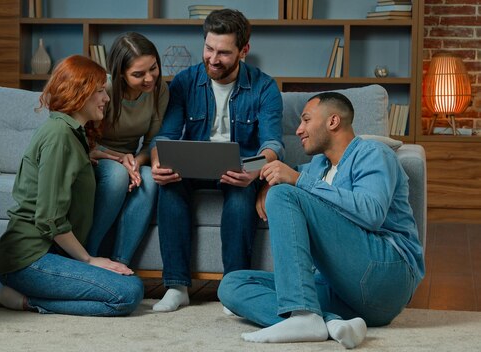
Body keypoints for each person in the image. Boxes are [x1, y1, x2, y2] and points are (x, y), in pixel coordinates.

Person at [218, 92, 425, 348]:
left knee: (284, 194)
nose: (299, 129)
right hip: (344, 293)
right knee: (231, 286)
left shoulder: (372, 153)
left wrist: (295, 181)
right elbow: (284, 171)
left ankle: (304, 315)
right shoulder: (318, 166)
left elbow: (371, 213)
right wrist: (261, 181)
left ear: (333, 121)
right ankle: (328, 323)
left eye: (305, 120)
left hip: (386, 274)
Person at [0, 55, 144, 316]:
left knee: (130, 286)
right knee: (127, 294)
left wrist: (104, 154)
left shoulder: (70, 133)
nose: (106, 99)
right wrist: (88, 260)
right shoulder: (59, 136)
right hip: (29, 259)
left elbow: (70, 161)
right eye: (99, 92)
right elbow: (49, 217)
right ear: (79, 93)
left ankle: (15, 292)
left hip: (45, 255)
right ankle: (17, 299)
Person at [149, 9, 284, 312]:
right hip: (192, 168)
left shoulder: (264, 87)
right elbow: (167, 135)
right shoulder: (184, 82)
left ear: (243, 51)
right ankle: (176, 286)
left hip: (239, 169)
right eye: (209, 48)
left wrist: (252, 171)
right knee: (168, 189)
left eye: (223, 52)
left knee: (240, 199)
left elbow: (273, 144)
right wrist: (159, 162)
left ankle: (233, 288)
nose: (212, 58)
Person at [85, 32, 169, 266]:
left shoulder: (159, 91)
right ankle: (88, 255)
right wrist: (122, 160)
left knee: (151, 180)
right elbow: (85, 136)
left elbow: (154, 140)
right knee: (117, 176)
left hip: (131, 157)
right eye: (138, 74)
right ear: (120, 73)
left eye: (153, 68)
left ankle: (120, 262)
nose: (149, 78)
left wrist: (136, 162)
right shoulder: (105, 89)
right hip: (98, 153)